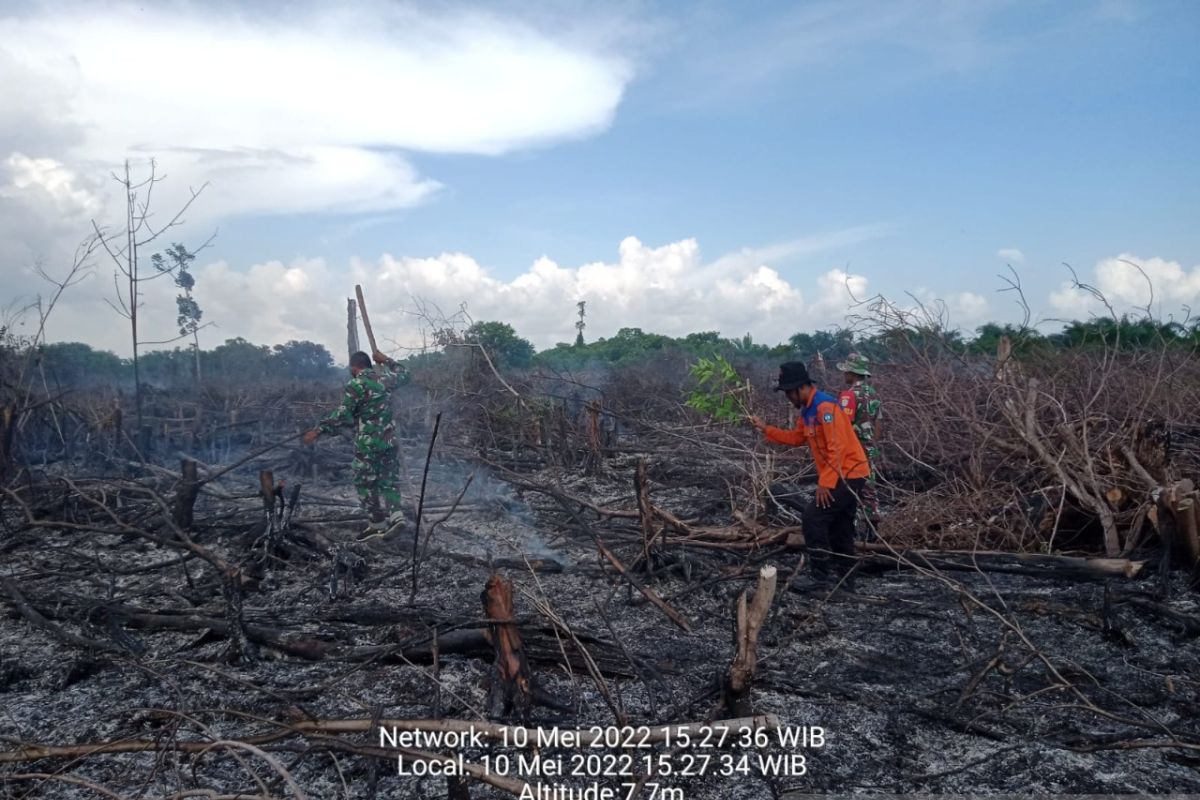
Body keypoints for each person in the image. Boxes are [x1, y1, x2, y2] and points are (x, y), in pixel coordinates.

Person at [750, 361, 870, 589]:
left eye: (789, 392)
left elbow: (837, 446)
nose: (788, 397)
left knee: (813, 518)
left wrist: (825, 483)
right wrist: (766, 428)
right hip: (843, 473)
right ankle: (846, 576)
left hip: (848, 473)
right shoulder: (807, 410)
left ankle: (820, 577)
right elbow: (796, 438)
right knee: (840, 523)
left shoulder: (825, 407)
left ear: (801, 388)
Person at [303, 349, 409, 540]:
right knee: (389, 480)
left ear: (354, 367)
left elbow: (343, 415)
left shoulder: (356, 384)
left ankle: (377, 525)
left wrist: (319, 430)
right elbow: (405, 374)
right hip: (390, 441)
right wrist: (387, 360)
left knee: (364, 482)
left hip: (369, 444)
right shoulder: (385, 379)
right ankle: (396, 516)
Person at [836, 352, 882, 537]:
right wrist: (872, 444)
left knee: (850, 488)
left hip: (854, 451)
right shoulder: (874, 395)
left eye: (846, 371)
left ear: (852, 373)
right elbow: (879, 423)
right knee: (869, 488)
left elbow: (843, 425)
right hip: (870, 449)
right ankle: (872, 531)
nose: (843, 374)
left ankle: (851, 531)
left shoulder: (848, 396)